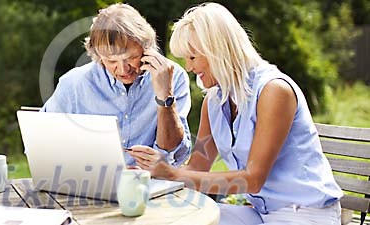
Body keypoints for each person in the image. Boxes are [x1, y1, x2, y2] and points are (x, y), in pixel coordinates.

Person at [131, 2, 343, 224]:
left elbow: (252, 180)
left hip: (306, 213)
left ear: (218, 51)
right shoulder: (213, 102)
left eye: (192, 58)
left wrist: (172, 174)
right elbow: (197, 167)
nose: (189, 67)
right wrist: (153, 169)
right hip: (260, 213)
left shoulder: (274, 91)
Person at [41, 3, 192, 167]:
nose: (123, 69)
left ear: (146, 48)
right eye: (111, 60)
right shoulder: (74, 84)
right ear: (97, 54)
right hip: (90, 184)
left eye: (130, 58)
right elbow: (41, 142)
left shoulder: (173, 76)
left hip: (154, 183)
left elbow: (178, 153)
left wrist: (165, 96)